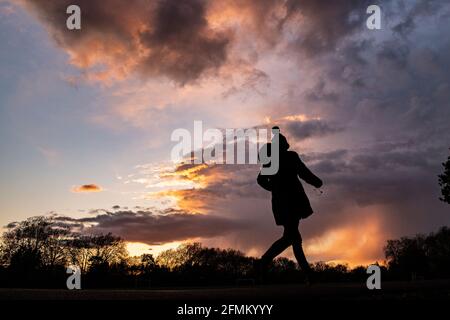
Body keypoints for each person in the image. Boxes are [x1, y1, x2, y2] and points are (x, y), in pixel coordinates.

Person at [256, 127, 323, 284]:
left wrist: (274, 188)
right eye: (285, 143)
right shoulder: (290, 157)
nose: (287, 145)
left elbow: (260, 180)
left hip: (281, 202)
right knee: (291, 237)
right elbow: (303, 172)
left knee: (292, 237)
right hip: (292, 201)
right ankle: (263, 262)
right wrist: (317, 182)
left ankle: (308, 273)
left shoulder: (270, 162)